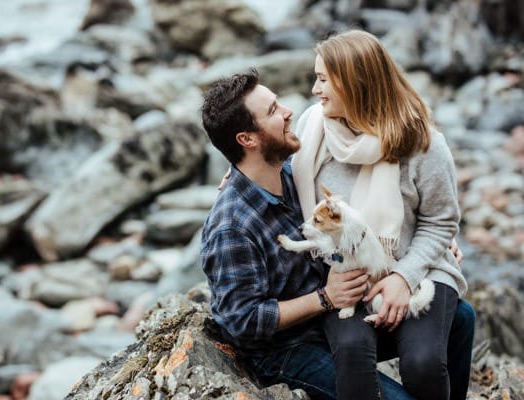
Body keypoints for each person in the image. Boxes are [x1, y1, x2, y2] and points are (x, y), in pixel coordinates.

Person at [200, 68, 475, 400]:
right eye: (273, 111)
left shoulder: (293, 173)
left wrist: (432, 241)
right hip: (287, 350)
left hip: (334, 318)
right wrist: (325, 298)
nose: (289, 112)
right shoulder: (232, 226)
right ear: (247, 139)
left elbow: (367, 206)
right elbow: (241, 320)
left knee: (459, 317)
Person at [291, 29, 470, 400]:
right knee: (353, 353)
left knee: (422, 364)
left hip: (418, 268)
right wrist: (235, 173)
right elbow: (272, 166)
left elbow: (441, 221)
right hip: (346, 275)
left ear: (354, 82)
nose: (314, 89)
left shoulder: (422, 142)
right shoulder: (312, 128)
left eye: (323, 79)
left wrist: (402, 278)